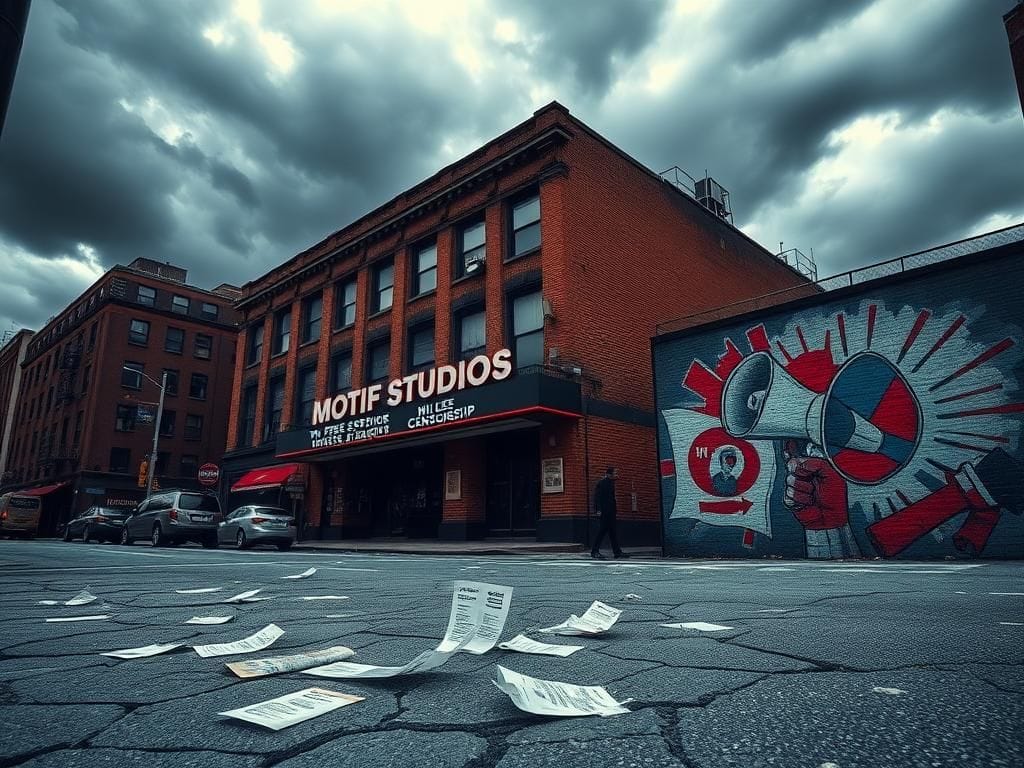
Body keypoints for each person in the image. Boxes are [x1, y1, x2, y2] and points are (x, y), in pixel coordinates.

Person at [591, 466, 627, 559]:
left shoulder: (611, 483)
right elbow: (597, 497)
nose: (616, 474)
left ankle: (617, 552)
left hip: (611, 512)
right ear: (609, 474)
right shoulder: (602, 483)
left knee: (613, 532)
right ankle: (594, 551)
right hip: (604, 512)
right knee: (602, 531)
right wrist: (598, 510)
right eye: (615, 473)